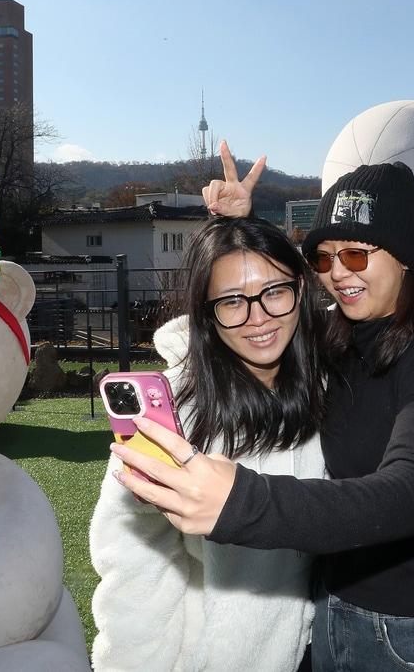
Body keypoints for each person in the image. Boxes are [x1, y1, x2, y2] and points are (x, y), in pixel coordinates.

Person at [114, 151, 414, 672]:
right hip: (329, 610)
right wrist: (240, 228)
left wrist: (242, 502)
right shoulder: (336, 334)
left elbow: (409, 494)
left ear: (404, 258)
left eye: (356, 255)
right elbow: (260, 303)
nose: (338, 274)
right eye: (323, 258)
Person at [89, 208, 331, 672]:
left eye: (274, 292)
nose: (258, 318)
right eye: (232, 301)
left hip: (333, 645)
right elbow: (135, 557)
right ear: (206, 313)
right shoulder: (177, 411)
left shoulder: (330, 381)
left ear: (300, 290)